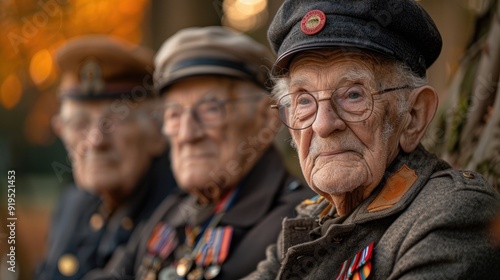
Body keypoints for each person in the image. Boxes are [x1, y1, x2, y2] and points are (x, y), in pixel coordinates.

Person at [246, 0, 500, 279]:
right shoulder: (311, 217)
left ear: (414, 116)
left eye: (354, 94)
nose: (323, 124)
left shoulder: (452, 213)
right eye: (303, 100)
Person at [83, 26, 314, 280]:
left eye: (210, 110)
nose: (187, 133)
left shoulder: (295, 224)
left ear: (267, 120)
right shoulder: (176, 208)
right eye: (173, 114)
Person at [36, 35, 177, 280]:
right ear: (61, 131)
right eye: (80, 123)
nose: (95, 140)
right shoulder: (72, 207)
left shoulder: (180, 213)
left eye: (114, 121)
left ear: (156, 130)